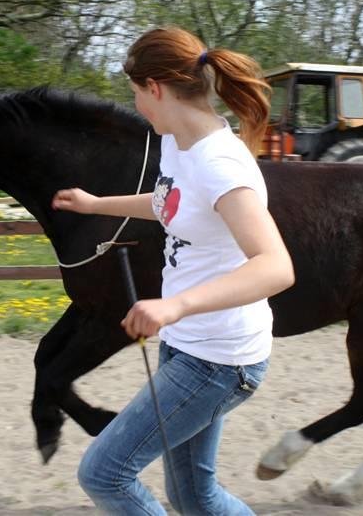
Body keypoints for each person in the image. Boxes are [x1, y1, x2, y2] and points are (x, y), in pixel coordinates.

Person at [52, 26, 294, 516]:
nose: (138, 105)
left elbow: (276, 266)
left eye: (137, 94)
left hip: (220, 361)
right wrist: (96, 203)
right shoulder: (178, 145)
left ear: (155, 88)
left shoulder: (221, 164)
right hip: (188, 345)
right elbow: (173, 204)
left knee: (104, 473)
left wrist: (174, 304)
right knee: (192, 497)